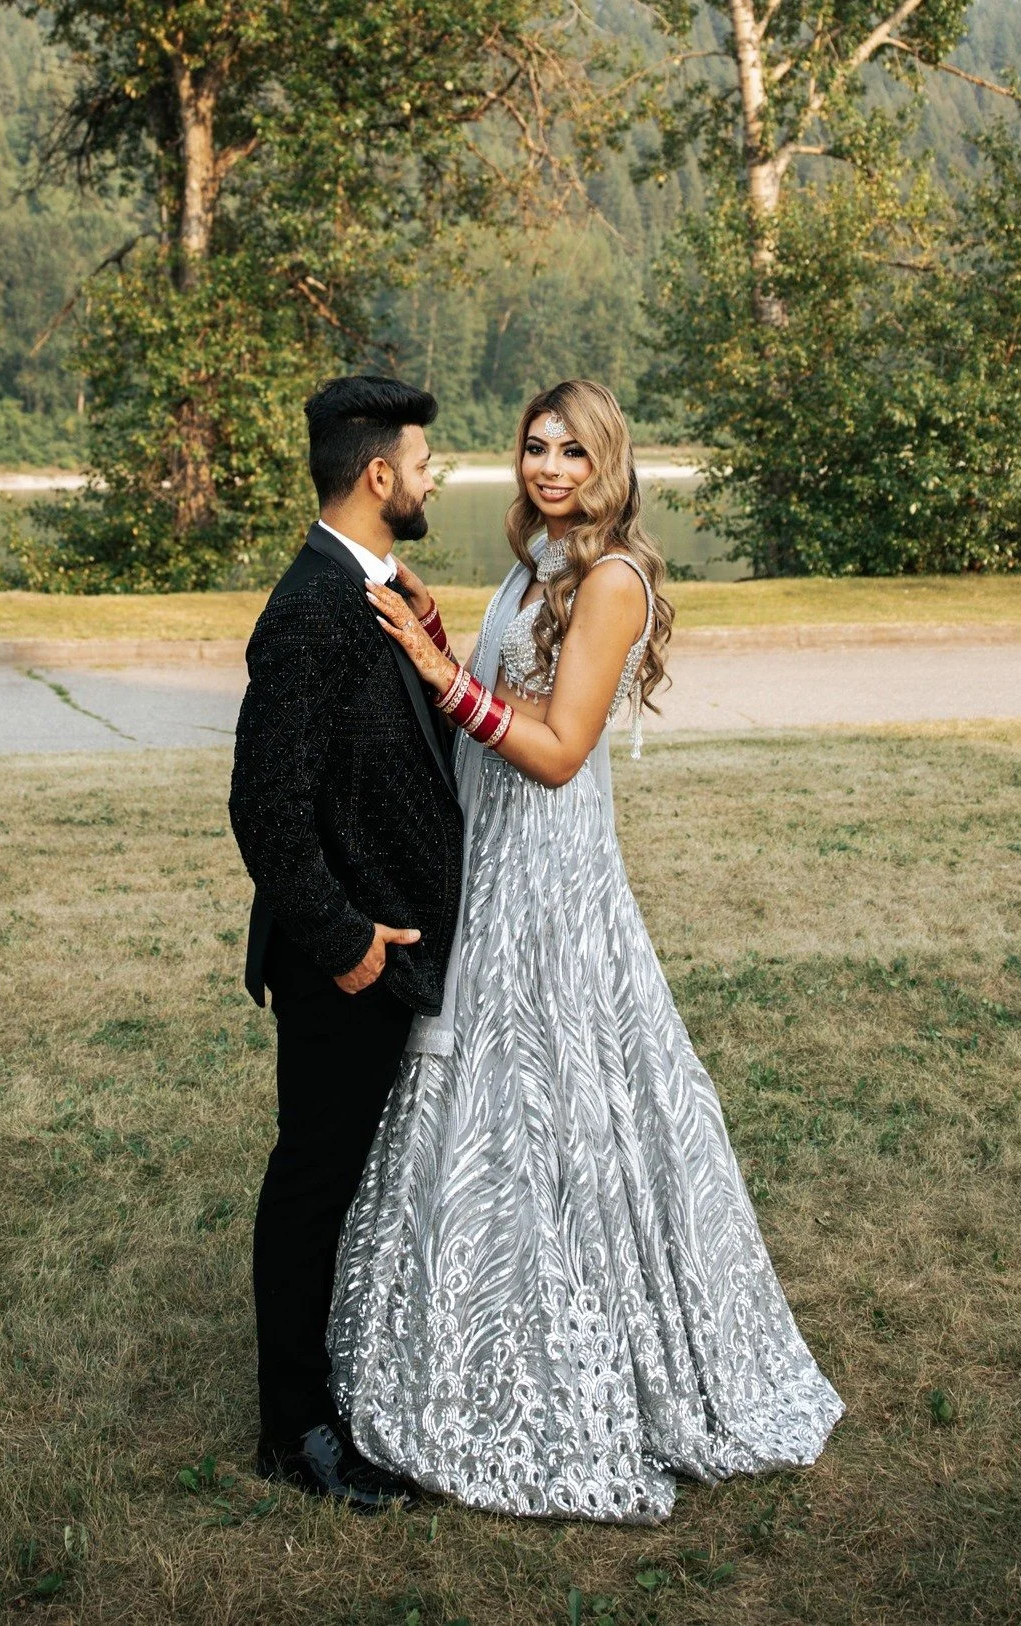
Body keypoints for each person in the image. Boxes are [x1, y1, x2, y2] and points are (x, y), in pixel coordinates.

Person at [328, 379, 844, 1523]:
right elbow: (511, 690)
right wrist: (440, 634)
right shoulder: (537, 562)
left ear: (609, 461)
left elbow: (559, 750)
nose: (549, 466)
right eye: (534, 446)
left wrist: (442, 677)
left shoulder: (611, 579)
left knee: (559, 1084)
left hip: (550, 868)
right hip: (492, 855)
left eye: (572, 449)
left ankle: (592, 1335)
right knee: (482, 1085)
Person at [229, 375, 462, 1510]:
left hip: (388, 955)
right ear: (379, 475)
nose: (431, 476)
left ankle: (338, 1386)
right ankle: (297, 1428)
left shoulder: (370, 589)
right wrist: (347, 942)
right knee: (313, 1180)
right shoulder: (311, 606)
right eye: (423, 460)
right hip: (346, 963)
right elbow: (264, 806)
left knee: (338, 1180)